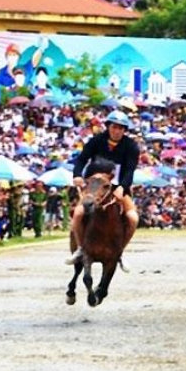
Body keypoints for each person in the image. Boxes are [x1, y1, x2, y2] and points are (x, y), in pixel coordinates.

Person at [66, 110, 140, 267]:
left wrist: (122, 187)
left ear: (125, 130)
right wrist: (77, 175)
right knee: (78, 214)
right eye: (114, 127)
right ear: (108, 127)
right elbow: (81, 160)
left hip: (118, 186)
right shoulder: (96, 141)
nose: (117, 131)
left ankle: (119, 252)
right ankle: (80, 248)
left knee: (133, 218)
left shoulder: (131, 146)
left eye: (121, 128)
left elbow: (130, 170)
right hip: (94, 186)